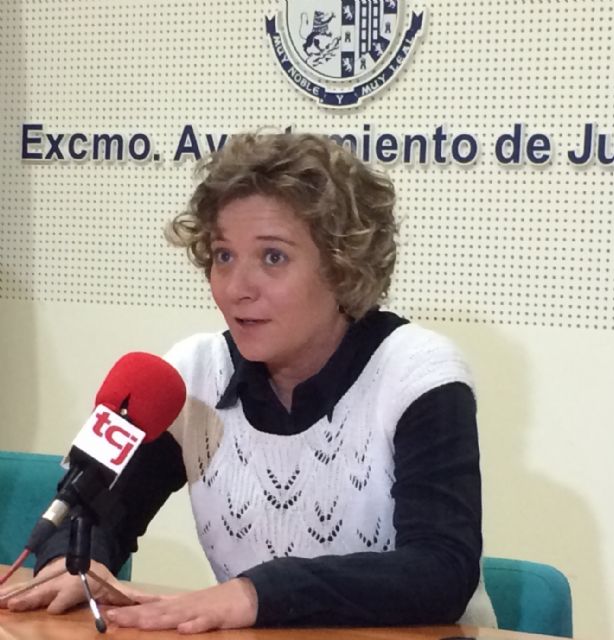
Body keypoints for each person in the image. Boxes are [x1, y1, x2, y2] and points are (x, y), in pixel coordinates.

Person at [0, 132, 496, 633]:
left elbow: (440, 570)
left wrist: (257, 593)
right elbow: (83, 507)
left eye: (273, 257)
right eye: (223, 256)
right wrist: (71, 559)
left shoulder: (417, 372)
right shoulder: (189, 374)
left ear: (342, 266)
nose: (237, 288)